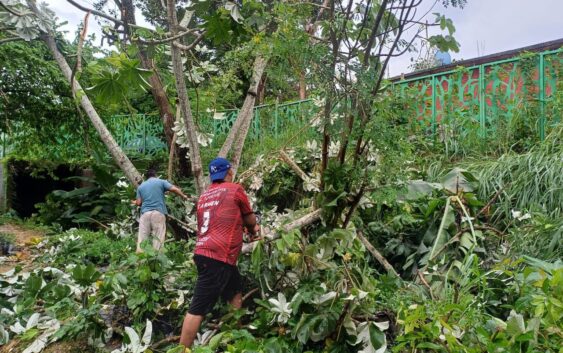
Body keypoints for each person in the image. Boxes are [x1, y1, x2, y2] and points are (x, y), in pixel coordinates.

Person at [179, 157, 259, 349]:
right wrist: (254, 230)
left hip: (206, 252)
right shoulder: (235, 189)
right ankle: (182, 350)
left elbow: (213, 223)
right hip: (218, 257)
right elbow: (250, 220)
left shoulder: (204, 196)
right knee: (198, 308)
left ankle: (234, 333)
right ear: (229, 172)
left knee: (235, 290)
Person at [133, 169, 188, 252]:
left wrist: (134, 202)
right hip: (158, 213)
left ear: (146, 177)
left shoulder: (141, 186)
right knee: (158, 240)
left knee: (142, 240)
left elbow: (138, 203)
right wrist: (183, 196)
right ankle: (156, 260)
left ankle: (140, 261)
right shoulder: (161, 182)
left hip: (145, 214)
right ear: (155, 175)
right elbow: (174, 189)